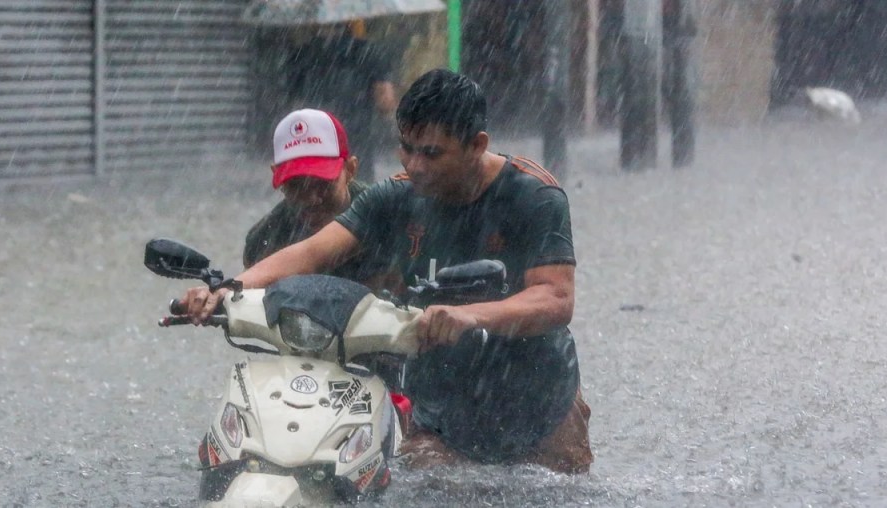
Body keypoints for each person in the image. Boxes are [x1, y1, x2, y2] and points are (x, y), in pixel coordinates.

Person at [183, 69, 593, 474]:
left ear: (476, 145)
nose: (414, 165)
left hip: (540, 406)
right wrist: (226, 289)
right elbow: (310, 253)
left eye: (431, 153)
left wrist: (470, 316)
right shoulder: (394, 198)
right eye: (406, 147)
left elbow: (556, 298)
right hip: (439, 414)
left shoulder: (533, 196)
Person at [242, 108, 387, 287]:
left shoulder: (387, 219)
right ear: (276, 176)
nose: (311, 199)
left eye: (323, 184)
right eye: (296, 186)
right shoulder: (264, 240)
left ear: (350, 170)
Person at [285, 20, 397, 182]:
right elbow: (385, 101)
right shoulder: (368, 51)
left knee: (318, 198)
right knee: (358, 197)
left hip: (315, 145)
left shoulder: (301, 53)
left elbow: (295, 106)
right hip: (356, 145)